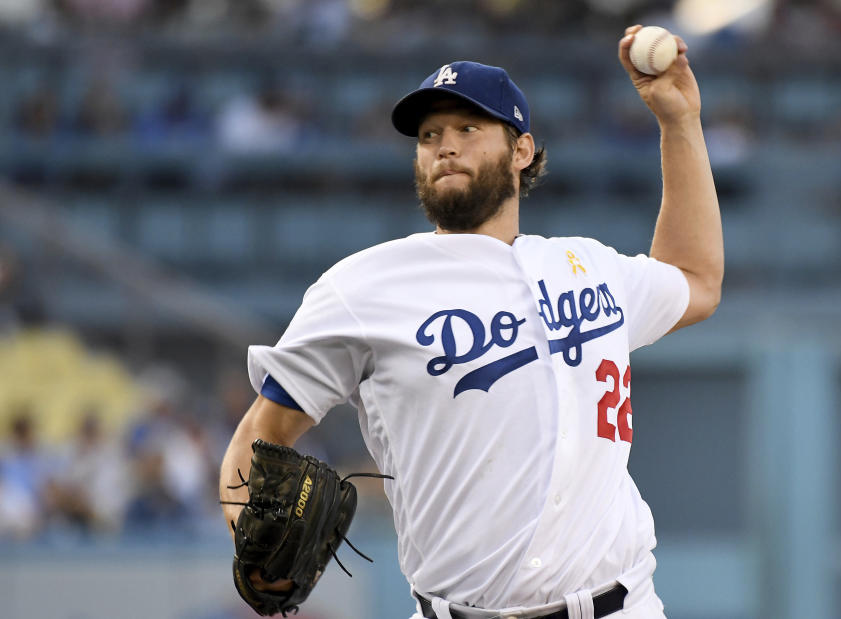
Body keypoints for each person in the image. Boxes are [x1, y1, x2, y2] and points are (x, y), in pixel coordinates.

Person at [220, 25, 722, 619]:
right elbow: (259, 436)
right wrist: (251, 538)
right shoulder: (362, 288)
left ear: (521, 150)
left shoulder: (588, 267)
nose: (444, 146)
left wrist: (680, 121)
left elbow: (695, 279)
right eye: (429, 134)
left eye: (468, 128)